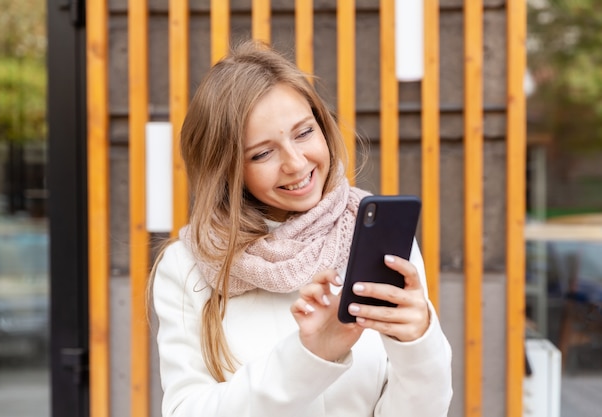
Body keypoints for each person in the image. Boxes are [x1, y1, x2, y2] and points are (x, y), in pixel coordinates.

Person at [151, 40, 452, 417]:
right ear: (226, 170)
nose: (295, 163)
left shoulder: (377, 237)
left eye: (304, 132)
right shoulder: (189, 266)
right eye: (262, 153)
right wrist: (310, 355)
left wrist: (418, 342)